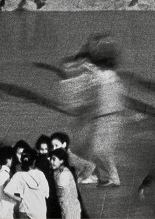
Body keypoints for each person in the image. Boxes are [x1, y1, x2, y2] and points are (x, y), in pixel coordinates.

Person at [58, 33, 126, 188]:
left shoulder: (102, 75)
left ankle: (108, 176)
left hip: (106, 116)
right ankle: (102, 175)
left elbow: (84, 72)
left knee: (98, 149)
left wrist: (81, 59)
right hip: (103, 115)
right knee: (96, 148)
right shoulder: (105, 74)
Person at [3, 149, 50, 219]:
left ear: (21, 160)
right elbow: (46, 194)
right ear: (34, 161)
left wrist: (20, 199)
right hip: (39, 212)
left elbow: (6, 191)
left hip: (25, 212)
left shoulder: (18, 175)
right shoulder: (40, 174)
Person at [49, 148, 82, 219]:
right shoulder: (57, 171)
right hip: (65, 206)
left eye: (54, 159)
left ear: (61, 161)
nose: (51, 161)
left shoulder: (64, 173)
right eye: (51, 159)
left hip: (70, 208)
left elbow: (60, 185)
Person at [35, 135, 61, 219]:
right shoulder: (38, 161)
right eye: (42, 149)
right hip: (44, 192)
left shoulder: (53, 159)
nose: (44, 152)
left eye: (46, 149)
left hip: (53, 190)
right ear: (38, 149)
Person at [0, 145, 16, 219]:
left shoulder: (3, 173)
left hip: (4, 209)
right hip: (5, 211)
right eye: (12, 158)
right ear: (8, 160)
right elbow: (7, 190)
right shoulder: (4, 175)